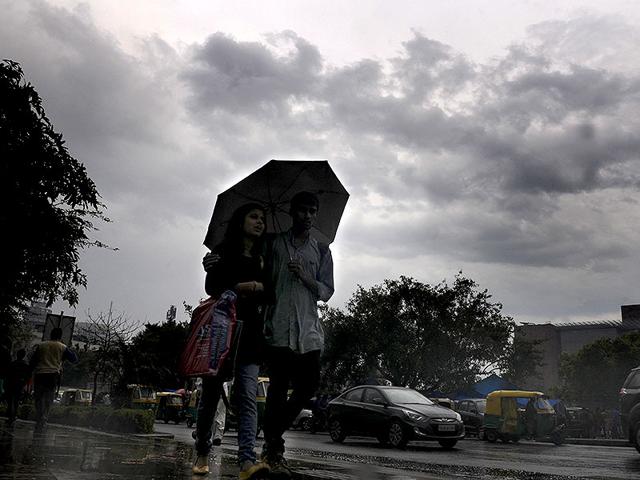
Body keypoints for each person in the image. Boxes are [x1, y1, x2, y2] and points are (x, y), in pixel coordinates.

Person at [260, 191, 334, 478]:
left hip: (309, 330)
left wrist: (305, 276)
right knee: (277, 390)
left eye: (312, 211)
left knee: (309, 385)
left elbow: (326, 291)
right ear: (292, 212)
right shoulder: (274, 244)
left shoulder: (322, 251)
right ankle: (273, 449)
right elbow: (263, 280)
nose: (308, 216)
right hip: (278, 327)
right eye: (302, 210)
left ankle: (272, 434)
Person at [195, 203, 269, 479]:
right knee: (211, 397)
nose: (259, 222)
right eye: (253, 216)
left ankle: (246, 460)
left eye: (263, 218)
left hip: (250, 334)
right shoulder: (222, 253)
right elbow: (211, 287)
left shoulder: (265, 257)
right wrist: (240, 287)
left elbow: (270, 291)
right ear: (241, 221)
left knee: (248, 396)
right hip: (221, 333)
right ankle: (202, 450)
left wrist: (261, 287)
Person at [30, 327, 78, 431]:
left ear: (50, 334)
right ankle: (44, 417)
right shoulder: (62, 347)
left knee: (38, 398)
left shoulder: (41, 345)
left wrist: (29, 372)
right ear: (60, 336)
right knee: (48, 398)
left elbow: (33, 361)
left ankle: (40, 415)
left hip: (40, 374)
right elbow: (74, 359)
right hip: (52, 376)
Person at [6, 348, 31, 426]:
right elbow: (28, 377)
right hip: (20, 384)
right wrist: (25, 384)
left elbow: (7, 374)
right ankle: (14, 414)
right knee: (16, 401)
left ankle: (10, 414)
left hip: (11, 384)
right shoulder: (26, 366)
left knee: (10, 400)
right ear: (24, 356)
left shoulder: (12, 364)